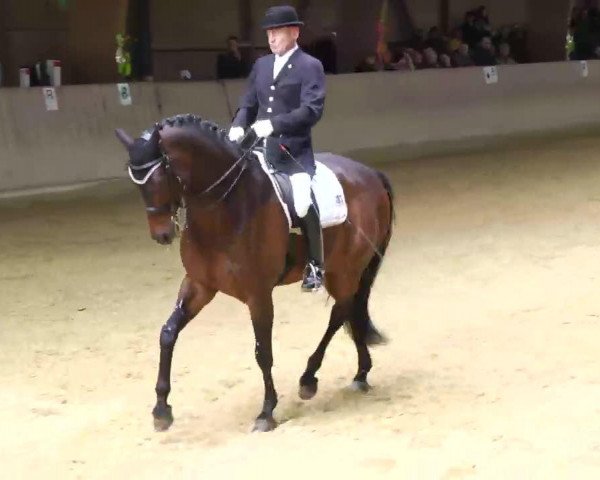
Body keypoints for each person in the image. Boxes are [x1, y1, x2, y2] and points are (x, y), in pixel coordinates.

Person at [227, 5, 326, 293]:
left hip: (293, 152)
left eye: (277, 32)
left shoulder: (311, 66)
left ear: (294, 32)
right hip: (258, 148)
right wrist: (237, 125)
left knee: (303, 201)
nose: (271, 39)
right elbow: (248, 103)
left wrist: (275, 125)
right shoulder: (261, 65)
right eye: (269, 33)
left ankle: (316, 266)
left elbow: (312, 110)